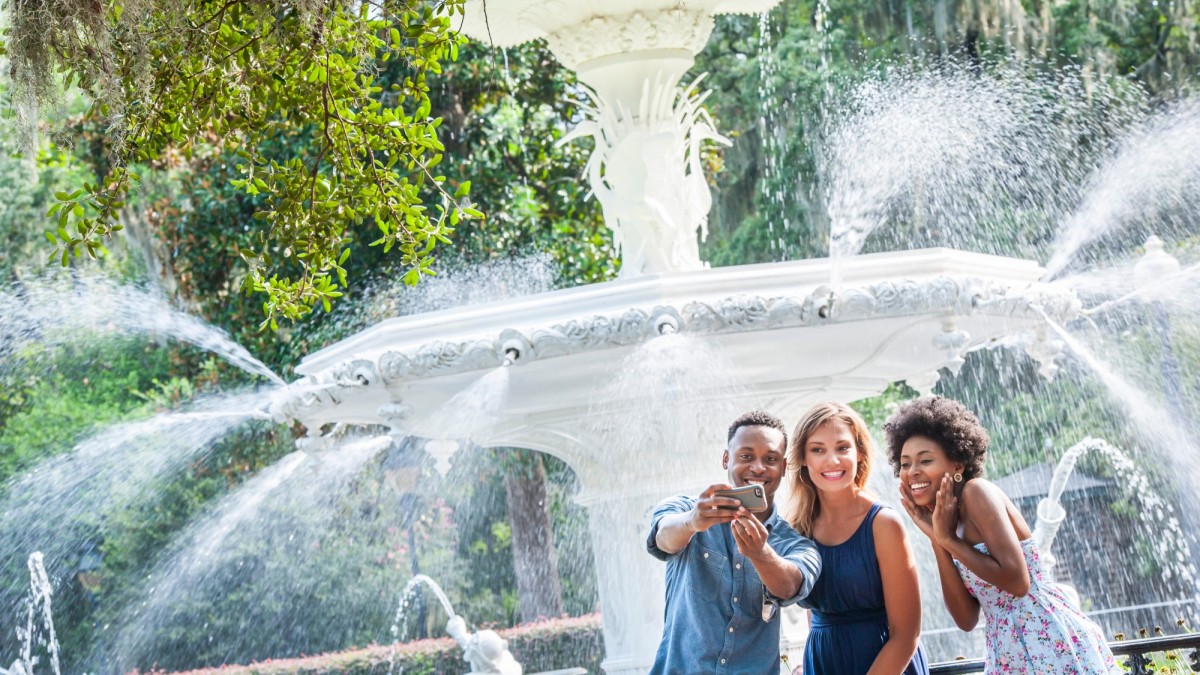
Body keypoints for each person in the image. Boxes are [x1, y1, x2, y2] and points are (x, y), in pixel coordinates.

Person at [885, 396, 1120, 674]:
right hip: (1007, 650)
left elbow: (1018, 583)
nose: (913, 472)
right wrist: (938, 540)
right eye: (905, 463)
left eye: (925, 460)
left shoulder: (977, 493)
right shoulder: (948, 520)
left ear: (957, 464)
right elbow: (966, 619)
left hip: (1048, 641)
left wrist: (949, 540)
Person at [646, 410, 822, 675]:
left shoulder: (796, 543)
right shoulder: (686, 510)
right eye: (746, 456)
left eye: (771, 459)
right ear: (726, 459)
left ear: (784, 467)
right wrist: (692, 522)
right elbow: (663, 538)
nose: (758, 467)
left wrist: (761, 554)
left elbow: (790, 587)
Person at [786, 402, 928, 675]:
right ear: (803, 458)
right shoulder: (798, 529)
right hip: (824, 664)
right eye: (818, 450)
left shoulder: (883, 524)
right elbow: (816, 613)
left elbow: (907, 634)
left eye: (843, 448)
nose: (832, 460)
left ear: (860, 452)